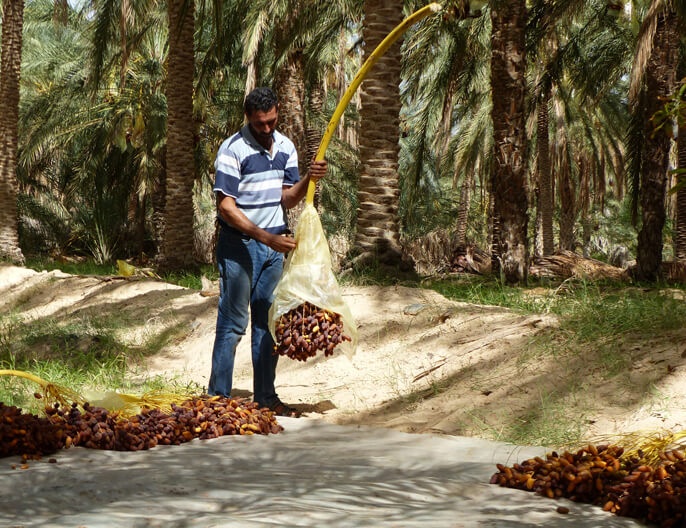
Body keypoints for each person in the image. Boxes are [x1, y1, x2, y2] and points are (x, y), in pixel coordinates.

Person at [208, 86, 327, 417]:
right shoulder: (231, 150)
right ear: (248, 118)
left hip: (274, 248)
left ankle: (265, 398)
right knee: (233, 324)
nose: (267, 129)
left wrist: (308, 179)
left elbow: (287, 197)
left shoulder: (286, 146)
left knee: (268, 323)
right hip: (240, 246)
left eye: (272, 121)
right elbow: (226, 208)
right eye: (260, 123)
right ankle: (218, 400)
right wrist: (264, 238)